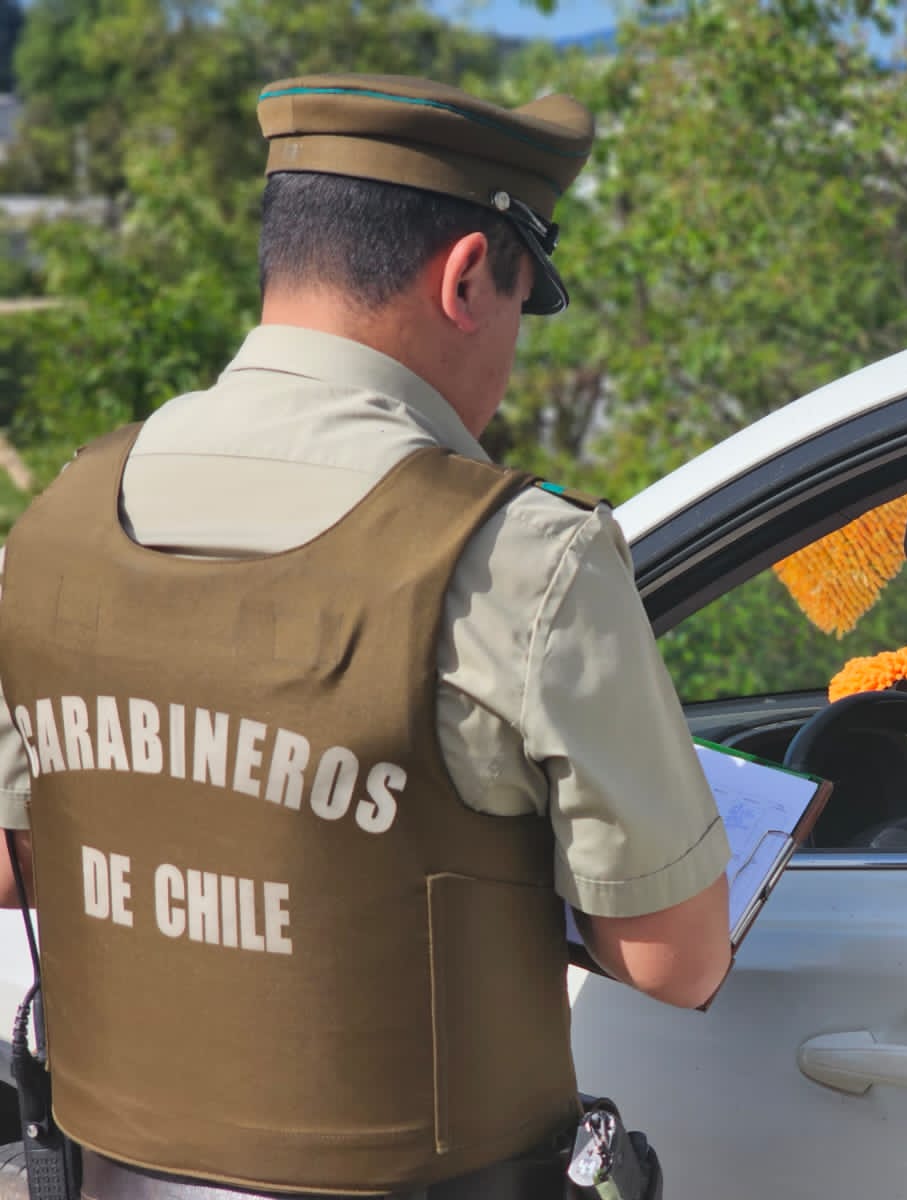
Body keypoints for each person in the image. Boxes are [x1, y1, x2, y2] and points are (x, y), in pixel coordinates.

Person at [0, 73, 732, 1199]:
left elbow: (16, 865)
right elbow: (673, 962)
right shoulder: (522, 557)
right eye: (521, 304)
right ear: (467, 276)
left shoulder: (54, 528)